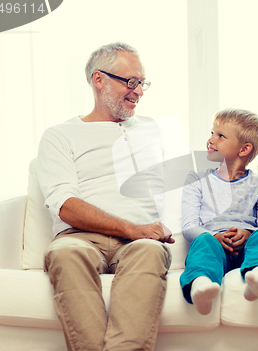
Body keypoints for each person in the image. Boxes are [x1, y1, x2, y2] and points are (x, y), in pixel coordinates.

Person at [37, 42, 175, 351]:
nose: (138, 91)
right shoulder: (60, 135)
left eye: (142, 83)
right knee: (65, 254)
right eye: (130, 82)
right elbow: (66, 206)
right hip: (81, 237)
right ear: (99, 80)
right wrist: (131, 228)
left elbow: (174, 188)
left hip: (141, 241)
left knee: (152, 252)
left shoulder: (150, 128)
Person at [180, 108, 258, 315]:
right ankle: (201, 287)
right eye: (211, 133)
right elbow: (190, 226)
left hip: (249, 249)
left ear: (244, 149)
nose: (211, 140)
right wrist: (215, 236)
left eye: (220, 136)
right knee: (202, 241)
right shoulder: (196, 179)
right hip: (214, 245)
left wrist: (248, 233)